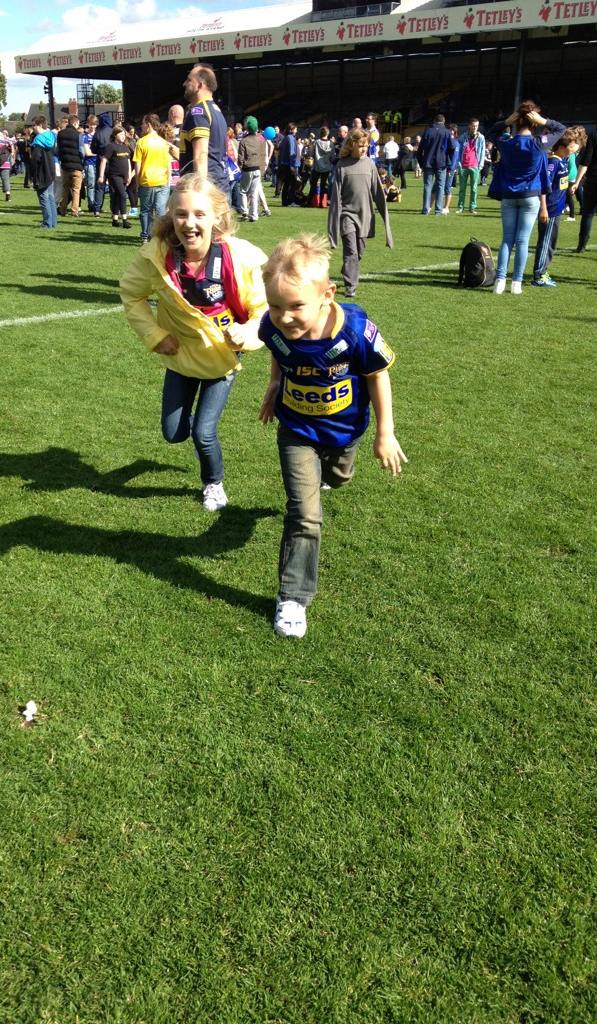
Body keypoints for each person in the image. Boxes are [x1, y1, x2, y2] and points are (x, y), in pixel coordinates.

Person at [258, 234, 406, 639]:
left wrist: (385, 433)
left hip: (344, 432)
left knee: (338, 477)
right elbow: (276, 348)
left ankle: (334, 474)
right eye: (275, 305)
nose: (283, 317)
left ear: (327, 294)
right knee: (304, 515)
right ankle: (293, 598)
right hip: (297, 430)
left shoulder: (354, 329)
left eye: (295, 307)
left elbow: (378, 374)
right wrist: (274, 385)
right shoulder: (272, 324)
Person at [120, 173, 267, 511]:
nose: (189, 224)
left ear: (217, 217)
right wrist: (156, 336)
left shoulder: (239, 257)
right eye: (181, 214)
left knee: (203, 433)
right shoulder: (157, 255)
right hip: (182, 356)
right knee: (173, 433)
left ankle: (213, 484)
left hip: (220, 360)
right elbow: (131, 294)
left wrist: (247, 332)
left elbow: (265, 309)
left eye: (200, 214)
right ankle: (188, 427)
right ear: (170, 216)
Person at [487, 101, 566, 294]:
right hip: (531, 196)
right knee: (522, 241)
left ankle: (500, 282)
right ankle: (517, 283)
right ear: (533, 124)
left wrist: (505, 121)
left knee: (507, 239)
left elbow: (491, 133)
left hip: (508, 195)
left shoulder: (506, 143)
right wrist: (543, 120)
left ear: (516, 123)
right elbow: (561, 129)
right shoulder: (538, 143)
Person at [327, 128, 393, 299]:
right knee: (351, 251)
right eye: (361, 145)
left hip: (365, 216)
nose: (364, 149)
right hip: (347, 216)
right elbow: (335, 198)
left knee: (359, 252)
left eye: (366, 146)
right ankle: (351, 285)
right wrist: (333, 228)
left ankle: (348, 269)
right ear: (352, 144)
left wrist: (386, 225)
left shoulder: (370, 165)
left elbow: (378, 194)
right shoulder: (342, 166)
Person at [532, 127, 585, 287]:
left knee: (552, 242)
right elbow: (544, 186)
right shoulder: (553, 162)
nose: (573, 151)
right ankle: (538, 275)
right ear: (561, 147)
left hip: (557, 209)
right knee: (546, 242)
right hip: (550, 209)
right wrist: (544, 208)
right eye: (571, 147)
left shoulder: (562, 160)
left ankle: (544, 270)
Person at [178, 64, 229, 194]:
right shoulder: (215, 111)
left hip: (207, 189)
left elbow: (201, 154)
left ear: (200, 86)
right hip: (219, 184)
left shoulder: (198, 112)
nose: (184, 84)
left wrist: (199, 192)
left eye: (189, 80)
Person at [133, 113, 171, 242]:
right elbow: (168, 164)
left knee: (145, 210)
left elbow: (138, 164)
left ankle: (145, 235)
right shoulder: (163, 142)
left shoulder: (141, 142)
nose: (141, 126)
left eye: (143, 123)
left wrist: (137, 180)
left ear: (148, 125)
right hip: (162, 180)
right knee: (160, 211)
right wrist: (168, 179)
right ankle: (159, 235)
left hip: (147, 181)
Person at [416, 115, 455, 215]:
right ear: (444, 121)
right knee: (440, 186)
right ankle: (438, 209)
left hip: (428, 162)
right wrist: (449, 161)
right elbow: (452, 148)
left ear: (434, 121)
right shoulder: (447, 132)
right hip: (441, 162)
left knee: (427, 186)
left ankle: (425, 209)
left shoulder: (427, 131)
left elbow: (420, 149)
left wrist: (421, 163)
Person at [97, 125, 133, 230]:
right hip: (114, 176)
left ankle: (115, 220)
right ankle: (125, 220)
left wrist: (129, 175)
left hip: (124, 176)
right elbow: (104, 161)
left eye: (123, 134)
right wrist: (101, 176)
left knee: (118, 197)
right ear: (115, 135)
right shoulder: (110, 146)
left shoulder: (125, 147)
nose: (123, 136)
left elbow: (128, 162)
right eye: (120, 134)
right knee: (122, 195)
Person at [28, 116, 57, 229]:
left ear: (39, 125)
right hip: (50, 169)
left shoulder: (38, 140)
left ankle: (47, 223)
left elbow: (36, 158)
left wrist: (31, 171)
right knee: (50, 197)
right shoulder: (51, 136)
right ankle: (53, 222)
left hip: (41, 171)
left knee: (44, 197)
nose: (32, 128)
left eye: (34, 125)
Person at [237, 116, 267, 222]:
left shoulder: (244, 141)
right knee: (254, 193)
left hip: (247, 169)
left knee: (243, 191)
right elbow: (263, 156)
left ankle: (244, 211)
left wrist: (240, 167)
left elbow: (240, 157)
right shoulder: (260, 141)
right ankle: (254, 215)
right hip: (257, 169)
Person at [573, 128, 597, 254]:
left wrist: (577, 182)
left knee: (588, 214)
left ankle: (581, 245)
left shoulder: (595, 133)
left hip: (593, 179)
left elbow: (586, 160)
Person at [57, 115, 84, 217]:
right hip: (76, 165)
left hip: (65, 165)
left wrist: (61, 159)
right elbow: (81, 150)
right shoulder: (78, 135)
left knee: (65, 188)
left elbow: (58, 150)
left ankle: (63, 209)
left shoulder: (60, 134)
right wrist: (81, 160)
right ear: (75, 123)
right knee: (76, 190)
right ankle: (74, 211)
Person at [456, 119, 485, 214]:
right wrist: (458, 163)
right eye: (473, 126)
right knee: (462, 189)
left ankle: (472, 207)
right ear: (469, 125)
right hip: (463, 166)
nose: (475, 128)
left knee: (474, 188)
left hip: (475, 166)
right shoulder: (463, 137)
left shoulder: (481, 137)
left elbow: (482, 152)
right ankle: (460, 207)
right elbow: (459, 151)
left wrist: (480, 165)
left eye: (476, 126)